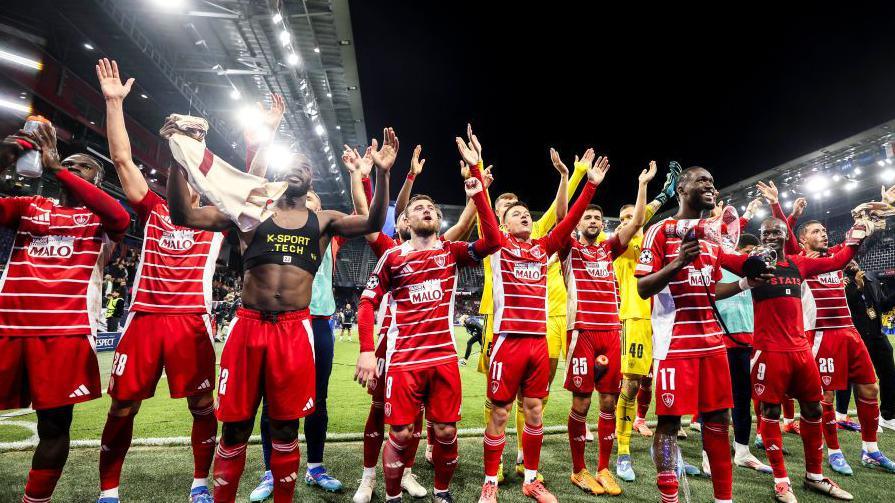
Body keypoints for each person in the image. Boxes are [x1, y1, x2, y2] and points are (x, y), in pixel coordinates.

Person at [166, 120, 395, 502]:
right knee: (235, 427)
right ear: (276, 174)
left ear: (312, 182)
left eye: (305, 167)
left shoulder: (324, 221)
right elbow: (183, 216)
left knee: (287, 427)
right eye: (291, 164)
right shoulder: (248, 212)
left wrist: (383, 176)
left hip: (295, 329)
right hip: (248, 326)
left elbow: (372, 221)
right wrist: (178, 159)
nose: (297, 168)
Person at [94, 59, 226, 503]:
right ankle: (109, 491)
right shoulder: (153, 207)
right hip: (145, 319)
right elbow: (121, 159)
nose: (186, 179)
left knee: (202, 406)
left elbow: (251, 179)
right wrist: (114, 104)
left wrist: (259, 135)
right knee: (122, 406)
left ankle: (200, 483)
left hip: (192, 321)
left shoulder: (216, 219)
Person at [358, 134, 499, 503]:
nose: (427, 211)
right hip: (404, 359)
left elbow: (493, 242)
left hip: (443, 359)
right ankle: (389, 493)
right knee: (401, 435)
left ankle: (441, 492)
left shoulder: (451, 252)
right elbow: (366, 303)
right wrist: (366, 351)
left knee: (446, 432)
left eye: (432, 209)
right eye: (419, 207)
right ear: (404, 220)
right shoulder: (392, 256)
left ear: (439, 219)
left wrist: (477, 181)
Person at [0, 121, 130, 503]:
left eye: (82, 166)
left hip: (65, 333)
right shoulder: (29, 207)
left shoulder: (102, 220)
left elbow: (121, 218)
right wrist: (9, 155)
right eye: (67, 163)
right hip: (8, 327)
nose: (72, 167)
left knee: (53, 426)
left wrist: (56, 167)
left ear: (99, 179)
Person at [479, 153, 609, 503]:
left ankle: (532, 479)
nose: (523, 214)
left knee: (535, 410)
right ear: (503, 225)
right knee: (500, 412)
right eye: (513, 214)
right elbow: (485, 218)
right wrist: (477, 176)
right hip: (508, 342)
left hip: (538, 343)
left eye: (526, 212)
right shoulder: (497, 245)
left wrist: (590, 184)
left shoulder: (542, 248)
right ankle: (490, 480)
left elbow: (569, 222)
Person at [724, 196, 869, 502]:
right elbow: (718, 257)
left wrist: (858, 232)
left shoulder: (798, 263)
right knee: (771, 412)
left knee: (814, 408)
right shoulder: (750, 265)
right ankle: (781, 480)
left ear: (785, 236)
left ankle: (815, 476)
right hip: (767, 352)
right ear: (761, 238)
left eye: (777, 232)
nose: (772, 236)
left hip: (802, 352)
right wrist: (720, 226)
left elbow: (837, 261)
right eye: (767, 233)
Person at [635, 166, 760, 503]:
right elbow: (643, 287)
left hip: (713, 344)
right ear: (681, 188)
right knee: (669, 425)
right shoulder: (659, 230)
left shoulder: (713, 233)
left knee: (720, 421)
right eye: (702, 180)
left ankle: (724, 499)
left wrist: (753, 271)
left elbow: (716, 284)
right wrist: (675, 264)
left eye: (713, 181)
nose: (711, 185)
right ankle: (669, 498)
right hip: (675, 346)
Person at [561, 160, 656, 496]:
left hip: (611, 334)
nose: (593, 221)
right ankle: (578, 470)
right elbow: (562, 217)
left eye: (597, 218)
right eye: (587, 217)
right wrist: (576, 182)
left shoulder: (608, 248)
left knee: (607, 403)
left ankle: (603, 468)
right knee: (581, 404)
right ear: (579, 223)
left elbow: (637, 223)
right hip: (583, 332)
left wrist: (643, 184)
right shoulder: (569, 249)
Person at [797, 203, 895, 475]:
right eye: (816, 231)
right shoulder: (801, 262)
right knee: (825, 397)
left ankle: (871, 450)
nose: (823, 234)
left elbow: (853, 243)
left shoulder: (835, 256)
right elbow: (846, 251)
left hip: (850, 332)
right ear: (803, 239)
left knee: (869, 389)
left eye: (824, 230)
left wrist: (867, 218)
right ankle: (835, 452)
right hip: (821, 334)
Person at [610, 161, 681, 481]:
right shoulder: (620, 247)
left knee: (670, 388)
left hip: (666, 320)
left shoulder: (656, 240)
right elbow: (641, 217)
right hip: (635, 319)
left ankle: (667, 452)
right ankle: (623, 452)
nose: (631, 221)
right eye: (624, 219)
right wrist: (655, 190)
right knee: (631, 386)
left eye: (632, 217)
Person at [711, 232, 773, 475]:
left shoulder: (754, 268)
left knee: (743, 398)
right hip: (721, 338)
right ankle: (709, 453)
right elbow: (712, 292)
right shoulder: (719, 262)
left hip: (749, 338)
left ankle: (743, 451)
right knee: (716, 401)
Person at [842, 259, 895, 432]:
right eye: (847, 262)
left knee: (889, 374)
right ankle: (867, 420)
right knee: (862, 379)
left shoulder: (870, 278)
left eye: (853, 260)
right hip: (858, 336)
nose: (852, 263)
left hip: (877, 334)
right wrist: (857, 286)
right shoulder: (842, 283)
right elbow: (846, 306)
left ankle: (888, 415)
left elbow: (882, 306)